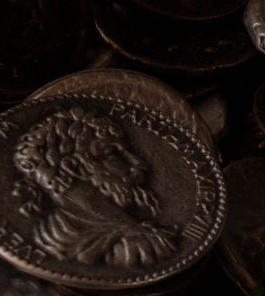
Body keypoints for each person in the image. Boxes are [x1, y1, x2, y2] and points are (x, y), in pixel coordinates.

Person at [13, 107, 178, 269]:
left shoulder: (47, 234)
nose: (138, 163)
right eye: (112, 154)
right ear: (74, 167)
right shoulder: (141, 245)